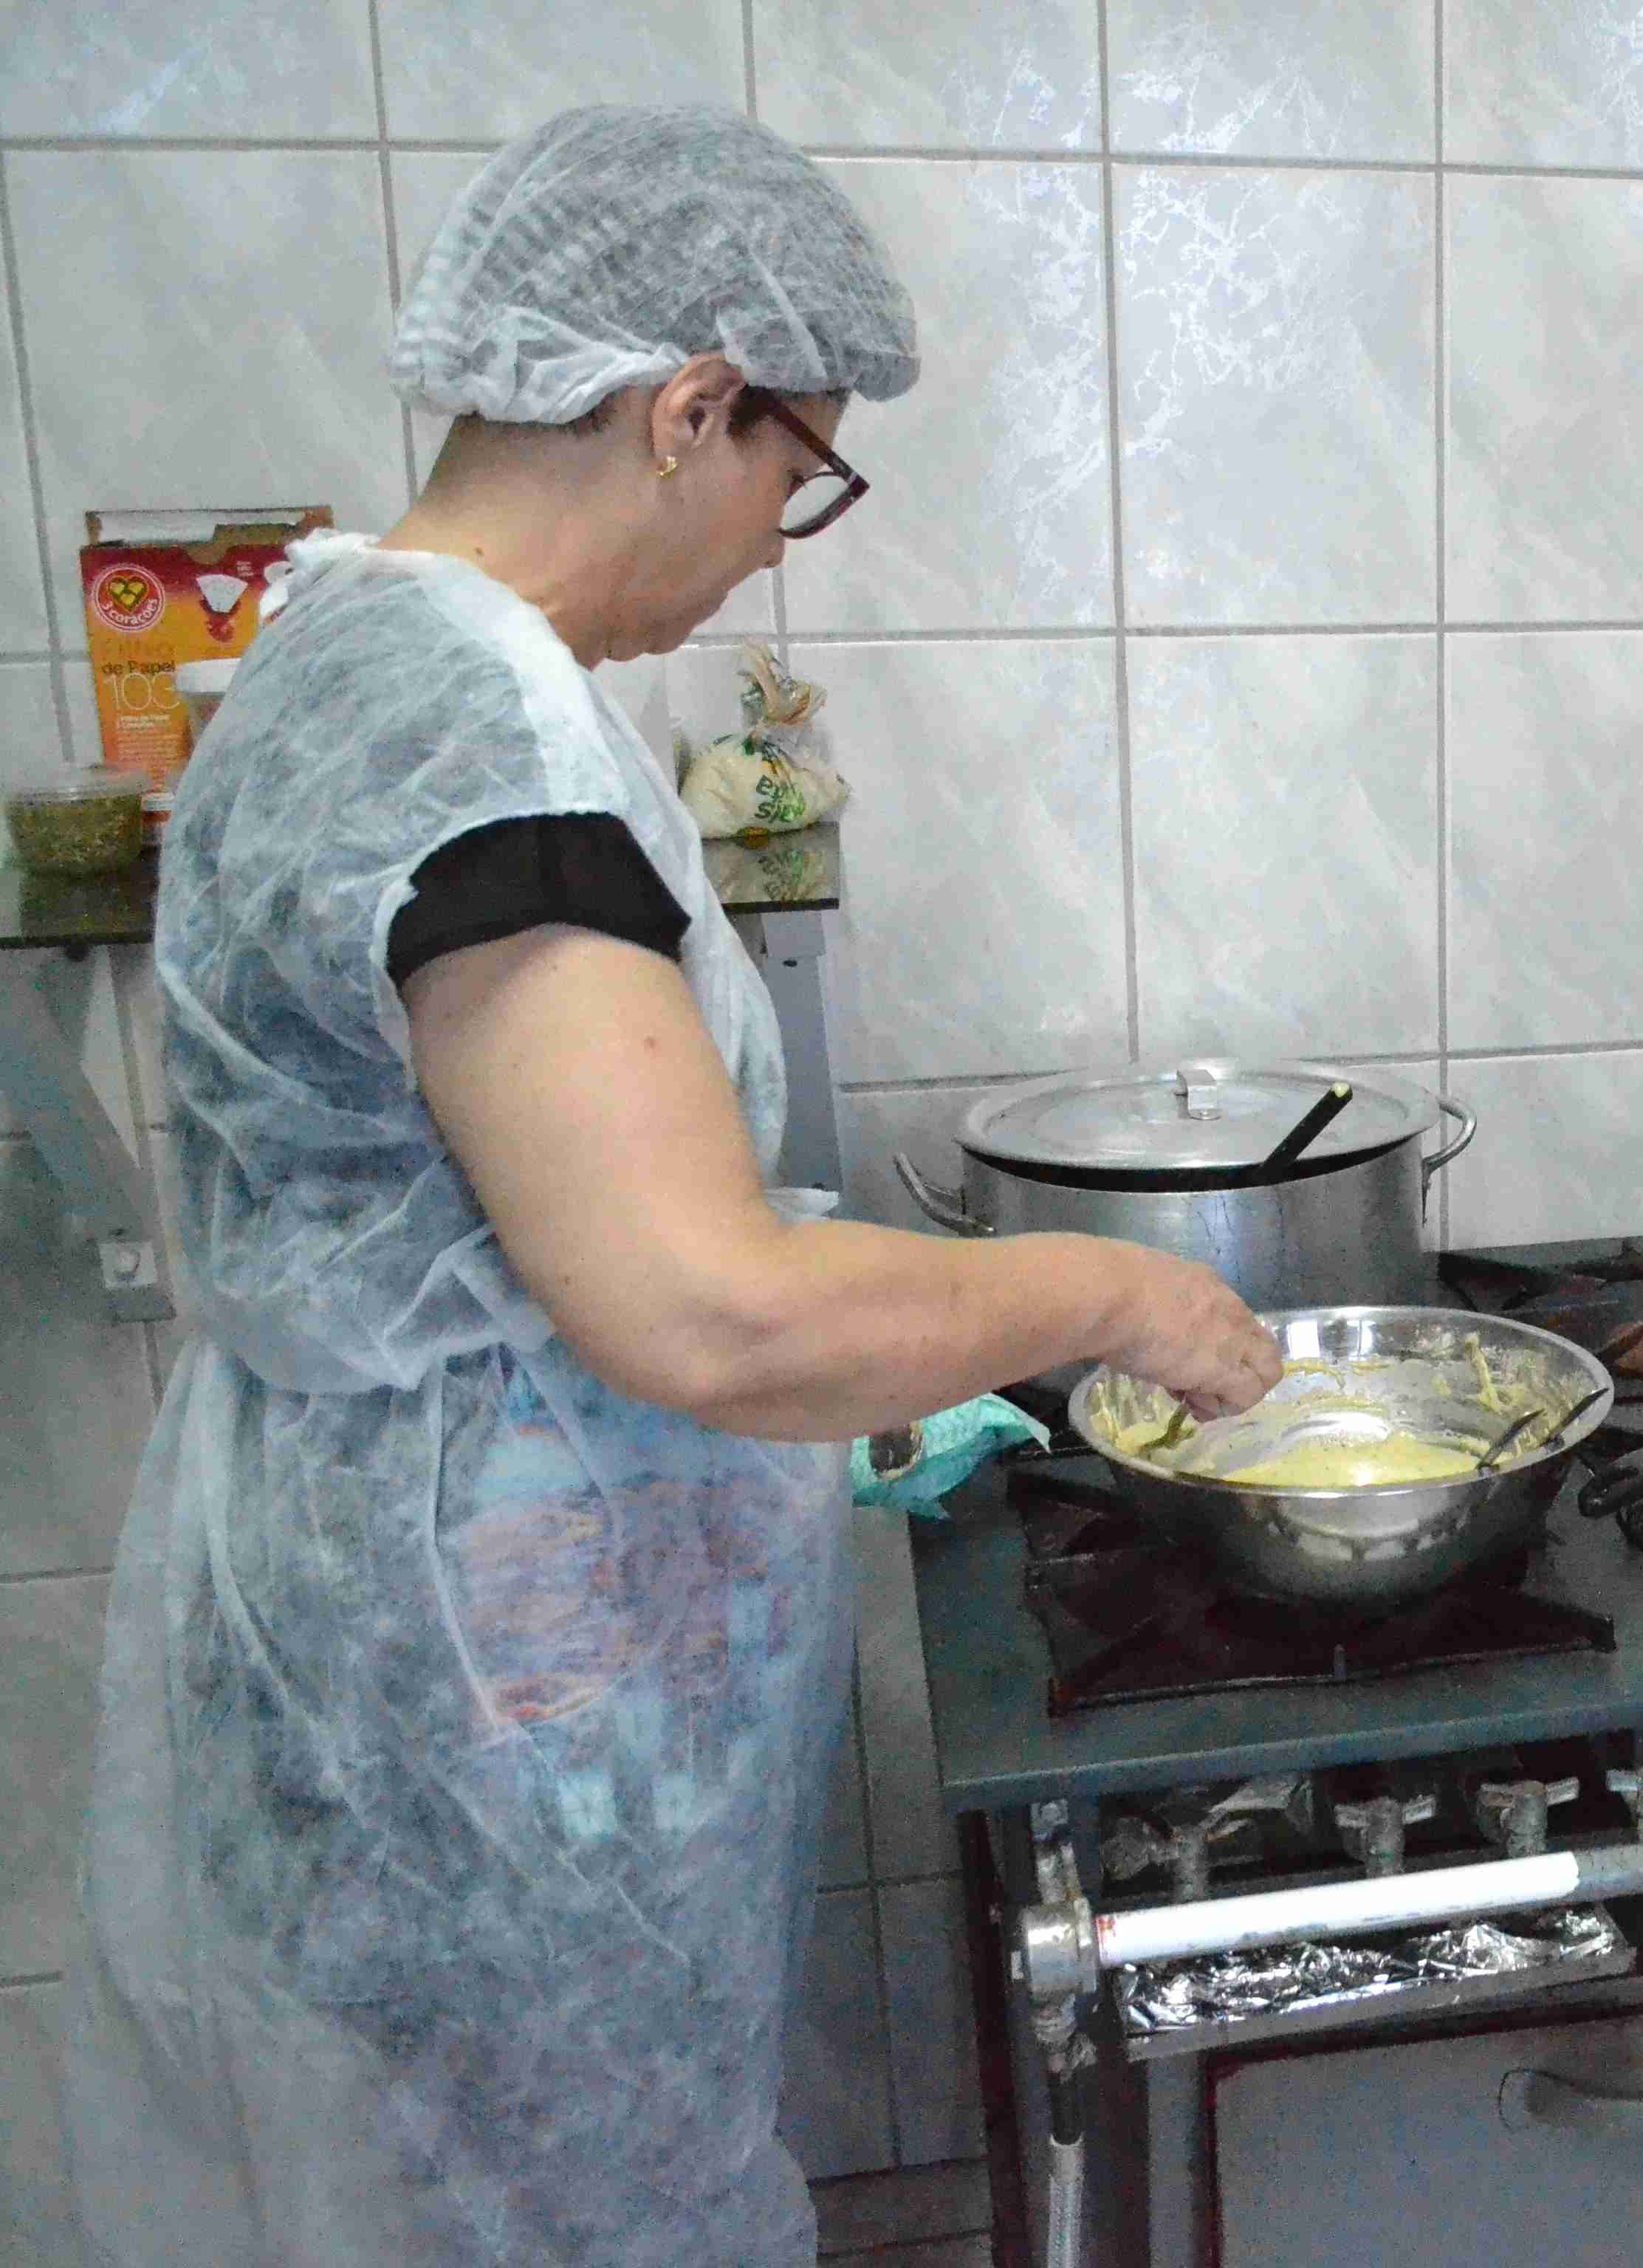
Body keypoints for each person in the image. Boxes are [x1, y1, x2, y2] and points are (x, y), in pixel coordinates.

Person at [59, 107, 1280, 2268]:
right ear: (686, 405)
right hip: (471, 1729)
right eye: (793, 473)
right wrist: (1106, 1291)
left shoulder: (332, 651)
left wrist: (895, 1336)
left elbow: (533, 1236)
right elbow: (700, 1311)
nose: (771, 543)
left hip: (392, 1646)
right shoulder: (467, 722)